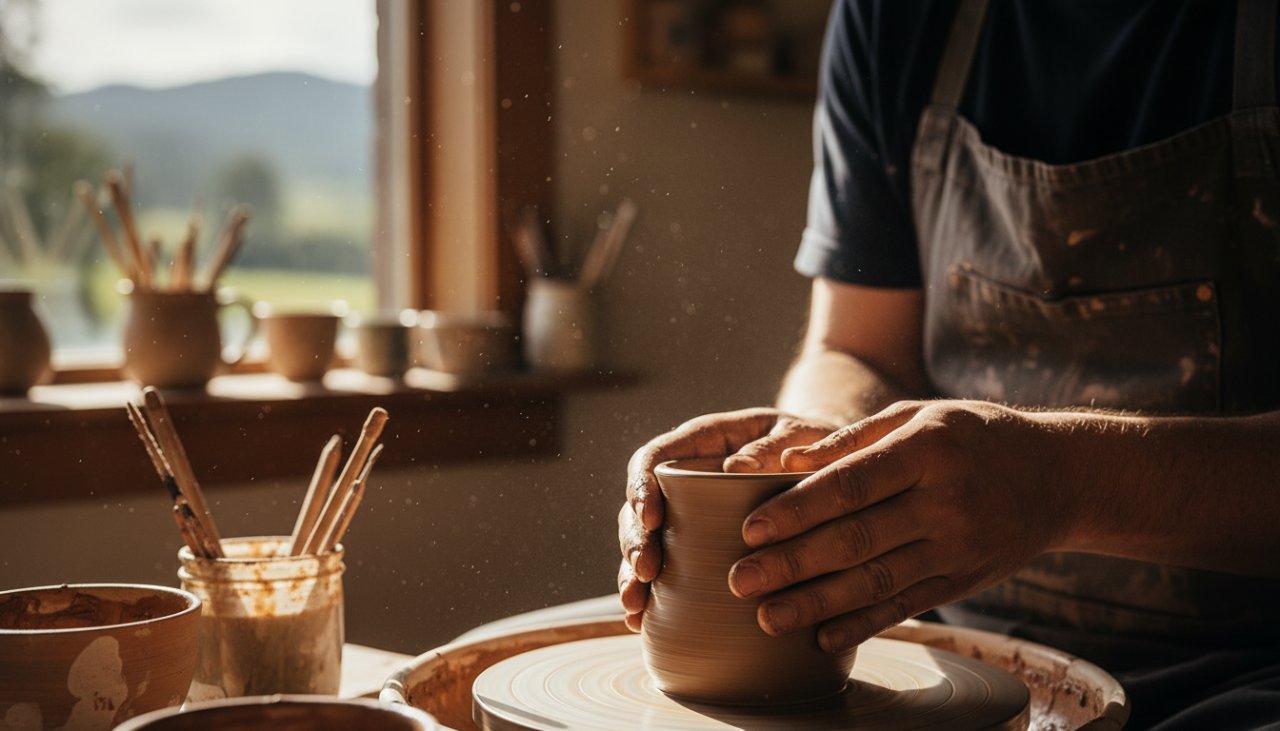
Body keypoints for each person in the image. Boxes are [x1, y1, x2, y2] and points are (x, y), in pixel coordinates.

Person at [618, 0, 1280, 728]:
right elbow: (856, 348)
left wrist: (1059, 479)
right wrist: (820, 448)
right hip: (964, 653)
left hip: (1249, 666)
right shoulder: (895, 17)